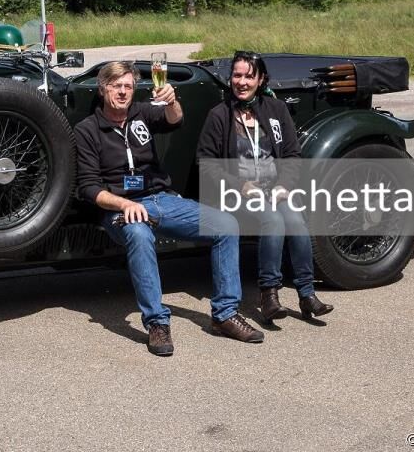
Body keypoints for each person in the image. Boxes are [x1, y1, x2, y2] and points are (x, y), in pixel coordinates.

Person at [75, 60, 264, 356]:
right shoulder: (87, 130)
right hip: (119, 209)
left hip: (161, 199)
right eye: (117, 86)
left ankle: (225, 315)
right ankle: (157, 323)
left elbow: (174, 120)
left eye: (128, 86)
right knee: (138, 234)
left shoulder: (141, 112)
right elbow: (89, 187)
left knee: (226, 225)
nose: (123, 92)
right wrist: (124, 204)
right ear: (103, 89)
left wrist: (173, 101)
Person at [196, 51, 333, 323]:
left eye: (249, 76)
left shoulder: (276, 109)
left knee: (295, 221)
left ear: (261, 80)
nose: (242, 82)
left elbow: (293, 154)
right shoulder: (219, 115)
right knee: (272, 220)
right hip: (237, 192)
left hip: (274, 189)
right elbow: (206, 163)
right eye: (237, 75)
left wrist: (284, 185)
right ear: (230, 78)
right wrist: (240, 185)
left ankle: (307, 294)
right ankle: (269, 294)